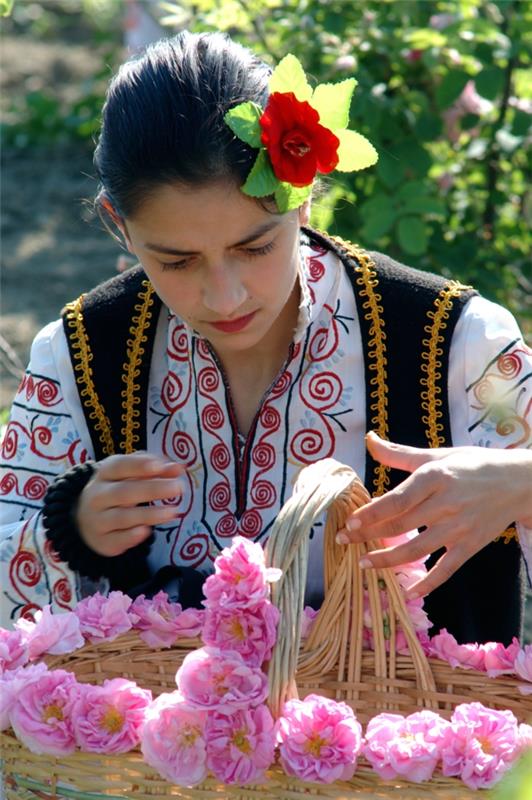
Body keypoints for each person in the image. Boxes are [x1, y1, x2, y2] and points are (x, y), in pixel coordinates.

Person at [0, 31, 530, 644]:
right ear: (119, 225)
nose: (225, 297)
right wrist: (73, 532)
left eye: (255, 247)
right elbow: (14, 593)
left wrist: (521, 483)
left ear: (301, 197)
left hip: (398, 735)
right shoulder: (80, 357)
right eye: (177, 261)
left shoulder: (455, 344)